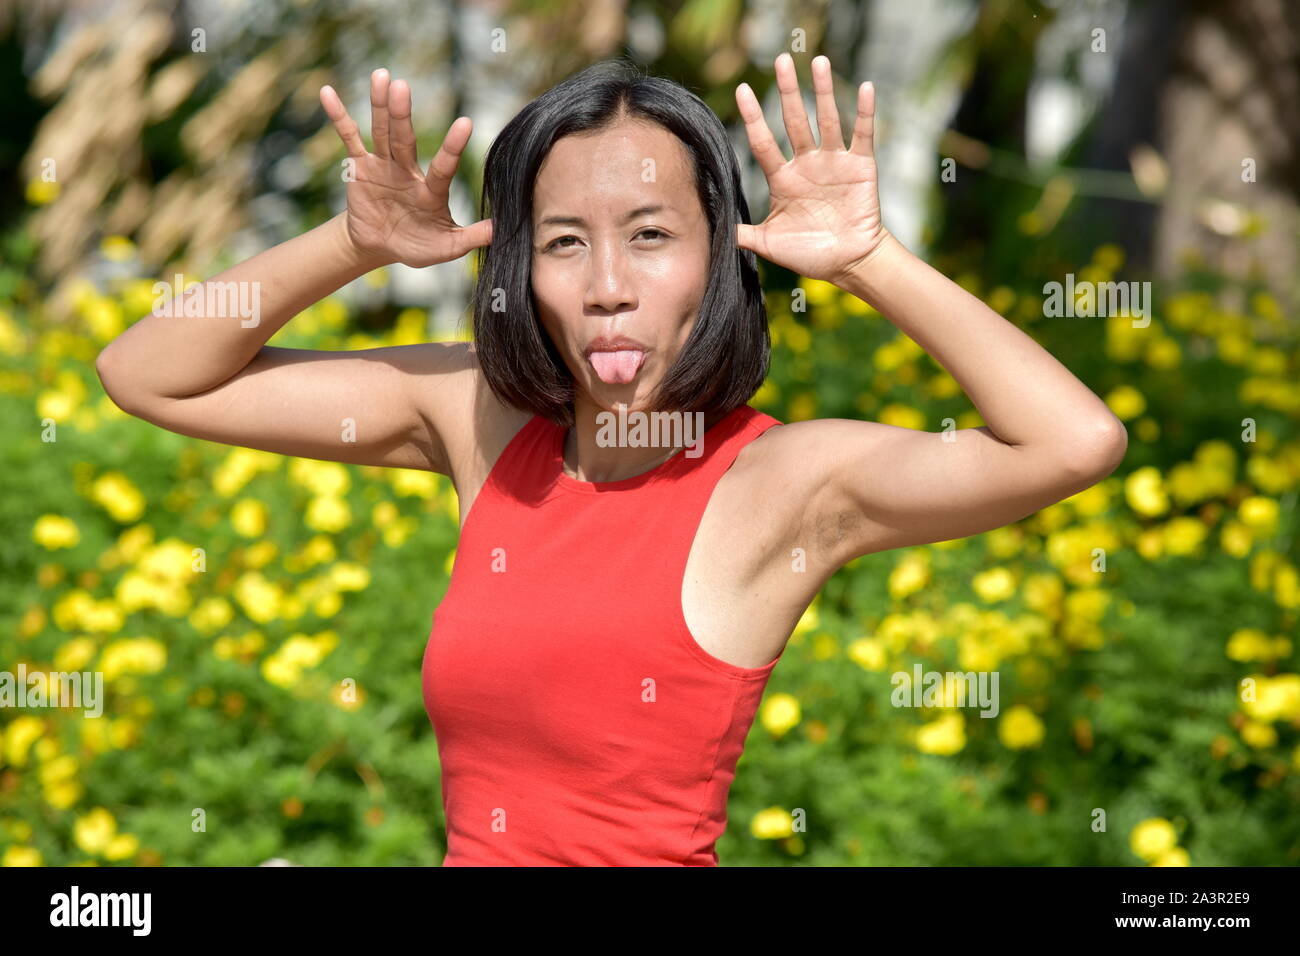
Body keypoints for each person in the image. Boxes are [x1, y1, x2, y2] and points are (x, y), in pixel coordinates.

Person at [95, 53, 1127, 866]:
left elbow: (1074, 440)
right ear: (520, 268)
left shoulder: (782, 486)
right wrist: (351, 246)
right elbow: (150, 375)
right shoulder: (482, 422)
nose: (608, 287)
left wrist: (872, 260)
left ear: (720, 254)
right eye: (563, 243)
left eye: (650, 234)